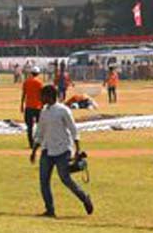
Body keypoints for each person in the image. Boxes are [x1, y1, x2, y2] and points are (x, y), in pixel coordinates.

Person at [30, 84, 93, 218]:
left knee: (65, 179)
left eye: (42, 95)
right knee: (44, 181)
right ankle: (50, 210)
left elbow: (73, 130)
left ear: (49, 96)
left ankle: (85, 198)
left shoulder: (63, 110)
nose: (40, 98)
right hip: (47, 150)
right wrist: (34, 150)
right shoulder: (44, 111)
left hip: (62, 150)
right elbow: (40, 133)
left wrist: (77, 149)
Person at [20, 66, 44, 148]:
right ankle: (39, 142)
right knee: (40, 125)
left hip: (29, 106)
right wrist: (43, 105)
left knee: (29, 126)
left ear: (31, 73)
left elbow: (24, 94)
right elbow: (42, 95)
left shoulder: (26, 82)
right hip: (38, 107)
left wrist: (21, 105)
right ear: (38, 74)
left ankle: (31, 143)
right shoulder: (39, 83)